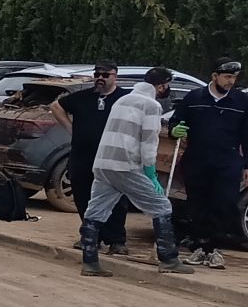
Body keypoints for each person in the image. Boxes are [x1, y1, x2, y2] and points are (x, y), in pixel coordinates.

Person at [80, 68, 191, 277]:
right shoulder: (151, 105)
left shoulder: (124, 100)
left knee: (95, 211)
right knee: (162, 206)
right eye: (167, 85)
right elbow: (149, 142)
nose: (167, 90)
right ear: (160, 85)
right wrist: (150, 173)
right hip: (126, 165)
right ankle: (168, 258)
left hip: (104, 163)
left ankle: (90, 261)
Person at [171, 60, 247, 268]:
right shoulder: (195, 98)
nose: (231, 81)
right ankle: (199, 247)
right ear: (214, 76)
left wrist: (246, 164)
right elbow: (176, 121)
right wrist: (175, 130)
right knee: (198, 205)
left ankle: (214, 249)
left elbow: (246, 135)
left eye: (234, 77)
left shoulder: (241, 101)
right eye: (227, 77)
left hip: (228, 161)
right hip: (197, 159)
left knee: (223, 205)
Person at [51, 63, 130, 257]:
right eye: (97, 74)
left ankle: (116, 240)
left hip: (112, 157)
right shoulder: (83, 97)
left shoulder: (125, 99)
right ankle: (90, 235)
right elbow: (56, 106)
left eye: (105, 74)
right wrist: (72, 130)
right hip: (82, 156)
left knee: (114, 199)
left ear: (115, 76)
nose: (100, 78)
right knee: (83, 194)